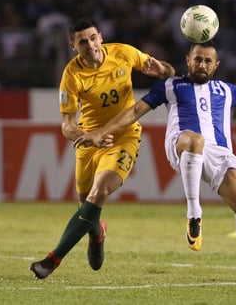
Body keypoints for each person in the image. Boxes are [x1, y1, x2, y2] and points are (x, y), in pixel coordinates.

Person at [73, 41, 236, 284]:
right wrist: (100, 132)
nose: (202, 65)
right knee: (195, 140)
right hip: (182, 144)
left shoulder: (227, 90)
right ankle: (194, 213)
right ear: (188, 60)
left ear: (216, 65)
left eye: (208, 61)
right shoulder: (171, 86)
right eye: (198, 60)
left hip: (219, 154)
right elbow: (133, 112)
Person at [29, 18, 175, 279]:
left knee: (99, 193)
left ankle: (52, 260)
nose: (90, 45)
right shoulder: (71, 75)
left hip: (123, 136)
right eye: (82, 41)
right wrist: (89, 136)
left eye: (93, 38)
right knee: (86, 208)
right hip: (89, 141)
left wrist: (162, 68)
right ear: (73, 46)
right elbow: (66, 126)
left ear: (101, 37)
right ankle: (97, 233)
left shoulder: (124, 53)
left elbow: (169, 74)